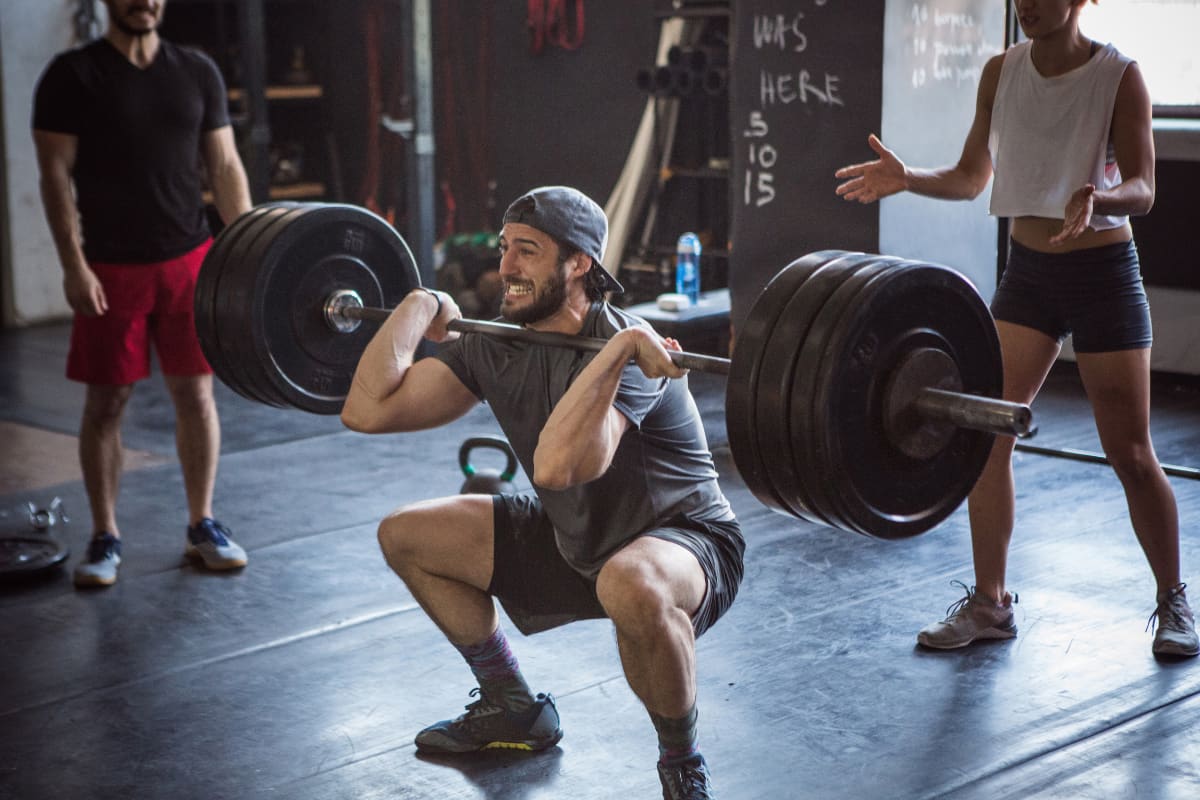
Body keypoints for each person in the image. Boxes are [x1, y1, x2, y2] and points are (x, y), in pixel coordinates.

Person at [341, 186, 745, 799]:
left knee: (629, 582)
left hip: (684, 541)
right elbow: (367, 411)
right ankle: (511, 705)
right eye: (505, 249)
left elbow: (559, 467)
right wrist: (418, 306)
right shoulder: (496, 340)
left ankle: (681, 765)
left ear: (579, 263)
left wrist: (617, 352)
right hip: (575, 535)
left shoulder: (633, 347)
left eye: (527, 251)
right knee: (406, 534)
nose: (505, 267)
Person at [833, 0, 1197, 657]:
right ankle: (991, 604)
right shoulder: (1002, 72)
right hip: (1029, 274)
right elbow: (973, 178)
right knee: (985, 433)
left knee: (1132, 454)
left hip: (1104, 273)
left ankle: (1173, 600)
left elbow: (1143, 188)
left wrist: (1101, 198)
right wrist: (907, 177)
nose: (1028, 4)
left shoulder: (1121, 75)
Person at [32, 0, 253, 588]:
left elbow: (225, 164)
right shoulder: (71, 75)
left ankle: (201, 523)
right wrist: (73, 265)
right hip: (110, 267)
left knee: (197, 396)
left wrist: (254, 249)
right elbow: (54, 176)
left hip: (188, 259)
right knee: (106, 405)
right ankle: (105, 535)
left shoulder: (197, 70)